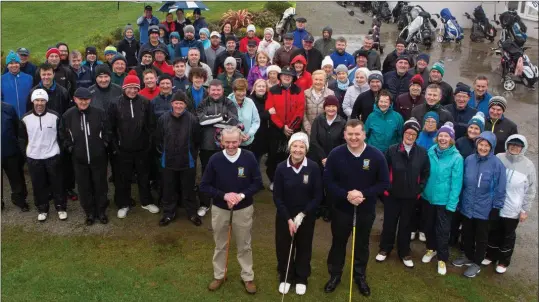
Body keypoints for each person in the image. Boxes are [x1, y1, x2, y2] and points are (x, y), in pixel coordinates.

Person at [323, 119, 390, 296]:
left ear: (364, 134)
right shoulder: (336, 154)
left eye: (357, 134)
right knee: (338, 243)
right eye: (350, 134)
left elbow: (384, 183)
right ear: (344, 135)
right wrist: (346, 194)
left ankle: (360, 276)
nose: (354, 138)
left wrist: (363, 194)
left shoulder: (376, 155)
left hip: (365, 210)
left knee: (361, 245)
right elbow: (328, 181)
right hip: (341, 209)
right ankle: (335, 275)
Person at [201, 126, 263, 294]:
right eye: (227, 142)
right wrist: (224, 196)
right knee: (220, 243)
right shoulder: (215, 159)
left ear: (240, 140)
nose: (231, 145)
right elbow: (204, 185)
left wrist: (240, 196)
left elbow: (257, 183)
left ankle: (247, 277)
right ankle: (219, 275)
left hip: (243, 208)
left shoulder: (249, 157)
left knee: (244, 244)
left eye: (234, 142)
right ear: (221, 142)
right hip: (220, 208)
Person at [376, 117, 429, 268]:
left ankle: (404, 252)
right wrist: (386, 189)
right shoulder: (392, 150)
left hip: (411, 197)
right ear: (403, 134)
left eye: (413, 134)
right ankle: (385, 248)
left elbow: (425, 173)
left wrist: (419, 189)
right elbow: (383, 171)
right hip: (392, 196)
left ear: (417, 136)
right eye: (408, 133)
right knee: (389, 224)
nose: (410, 136)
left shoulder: (422, 153)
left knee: (406, 225)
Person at [274, 132, 323, 295]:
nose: (297, 150)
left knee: (304, 246)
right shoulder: (281, 167)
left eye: (301, 147)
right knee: (284, 246)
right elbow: (277, 197)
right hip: (284, 216)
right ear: (290, 148)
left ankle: (302, 277)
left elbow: (318, 195)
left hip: (306, 216)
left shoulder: (313, 167)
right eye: (294, 146)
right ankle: (286, 276)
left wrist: (302, 214)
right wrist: (288, 219)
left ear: (306, 149)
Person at [452, 131, 506, 278]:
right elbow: (463, 182)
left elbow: (500, 188)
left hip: (485, 207)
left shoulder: (497, 164)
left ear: (492, 147)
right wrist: (459, 201)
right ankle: (467, 256)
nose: (483, 148)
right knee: (467, 233)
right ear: (477, 145)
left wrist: (496, 207)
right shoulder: (469, 160)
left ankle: (477, 262)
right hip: (467, 204)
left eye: (486, 145)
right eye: (481, 144)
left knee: (481, 237)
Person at [108, 71, 159, 219]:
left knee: (144, 176)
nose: (132, 90)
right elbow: (110, 127)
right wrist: (115, 147)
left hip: (142, 149)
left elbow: (150, 126)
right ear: (124, 88)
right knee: (123, 178)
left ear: (139, 88)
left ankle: (146, 201)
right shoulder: (115, 103)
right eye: (129, 87)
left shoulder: (145, 102)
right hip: (122, 149)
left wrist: (148, 145)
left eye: (135, 87)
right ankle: (124, 204)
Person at [484, 135, 536, 274]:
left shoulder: (528, 165)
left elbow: (530, 189)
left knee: (508, 235)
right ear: (507, 144)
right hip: (496, 205)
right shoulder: (499, 157)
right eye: (512, 144)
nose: (514, 147)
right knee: (493, 230)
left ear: (522, 148)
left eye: (518, 146)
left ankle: (503, 261)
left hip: (513, 208)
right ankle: (490, 255)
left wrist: (525, 210)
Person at [62, 87, 110, 225]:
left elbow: (108, 130)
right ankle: (89, 212)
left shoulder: (99, 113)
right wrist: (70, 147)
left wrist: (104, 144)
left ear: (90, 99)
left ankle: (101, 211)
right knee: (84, 187)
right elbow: (63, 134)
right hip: (79, 158)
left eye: (86, 99)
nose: (83, 102)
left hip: (98, 157)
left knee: (100, 185)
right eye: (80, 99)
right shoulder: (68, 115)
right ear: (75, 99)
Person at [421, 122, 463, 276]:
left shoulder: (457, 158)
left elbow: (456, 183)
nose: (443, 138)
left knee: (443, 231)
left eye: (446, 136)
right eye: (441, 135)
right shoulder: (431, 151)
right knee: (429, 226)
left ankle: (442, 258)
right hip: (428, 198)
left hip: (444, 201)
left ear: (451, 139)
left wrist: (452, 203)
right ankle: (431, 249)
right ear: (437, 137)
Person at [19, 89, 67, 222]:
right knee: (38, 185)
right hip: (34, 158)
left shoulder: (55, 116)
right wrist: (26, 154)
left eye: (42, 100)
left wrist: (59, 152)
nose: (39, 103)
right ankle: (42, 209)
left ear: (46, 101)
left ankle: (61, 207)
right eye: (37, 100)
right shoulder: (25, 118)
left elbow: (62, 136)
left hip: (52, 156)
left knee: (57, 183)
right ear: (32, 101)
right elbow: (22, 139)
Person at [155, 90, 201, 227]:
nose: (179, 106)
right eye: (176, 103)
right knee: (169, 188)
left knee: (189, 188)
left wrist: (192, 154)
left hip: (187, 161)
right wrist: (162, 153)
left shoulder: (192, 119)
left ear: (185, 105)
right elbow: (158, 138)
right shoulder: (163, 118)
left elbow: (197, 139)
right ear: (172, 104)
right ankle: (169, 213)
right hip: (168, 160)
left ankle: (192, 213)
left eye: (181, 103)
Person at [196, 79, 239, 217]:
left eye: (218, 90)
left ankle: (224, 201)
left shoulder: (229, 103)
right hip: (206, 145)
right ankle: (204, 204)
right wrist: (221, 117)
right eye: (213, 90)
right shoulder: (203, 103)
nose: (215, 92)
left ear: (222, 91)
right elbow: (201, 121)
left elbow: (233, 122)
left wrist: (212, 120)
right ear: (209, 90)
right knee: (206, 174)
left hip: (225, 146)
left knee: (226, 174)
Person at [265, 66, 305, 191]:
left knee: (292, 156)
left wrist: (290, 128)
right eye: (284, 74)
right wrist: (282, 127)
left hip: (293, 130)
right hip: (276, 130)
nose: (287, 77)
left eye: (290, 75)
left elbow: (300, 110)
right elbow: (271, 110)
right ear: (280, 77)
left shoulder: (298, 90)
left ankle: (290, 180)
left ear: (293, 78)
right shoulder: (273, 90)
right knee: (274, 156)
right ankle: (273, 180)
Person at [308, 96, 346, 222]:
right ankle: (317, 207)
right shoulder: (318, 120)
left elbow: (343, 143)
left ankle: (328, 210)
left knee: (330, 186)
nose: (330, 109)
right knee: (318, 184)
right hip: (318, 158)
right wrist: (323, 157)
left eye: (333, 106)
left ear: (337, 107)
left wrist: (330, 158)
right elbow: (313, 140)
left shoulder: (342, 122)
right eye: (328, 106)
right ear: (324, 107)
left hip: (335, 160)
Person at [451, 112, 486, 248]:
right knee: (455, 211)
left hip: (473, 185)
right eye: (471, 127)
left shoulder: (483, 146)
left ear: (481, 131)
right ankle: (452, 237)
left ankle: (464, 241)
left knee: (467, 214)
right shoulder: (460, 142)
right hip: (459, 181)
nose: (472, 130)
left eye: (476, 129)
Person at [1, 101, 29, 211]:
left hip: (10, 150)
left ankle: (20, 199)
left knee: (16, 177)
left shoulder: (8, 108)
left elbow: (17, 128)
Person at [228, 78, 260, 149]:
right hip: (231, 143)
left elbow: (256, 121)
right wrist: (238, 134)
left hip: (248, 141)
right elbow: (226, 123)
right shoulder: (227, 103)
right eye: (239, 91)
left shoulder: (250, 102)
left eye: (243, 90)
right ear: (234, 91)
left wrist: (249, 134)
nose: (241, 93)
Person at [2, 50, 33, 118]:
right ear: (7, 65)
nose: (14, 65)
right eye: (11, 63)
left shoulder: (29, 78)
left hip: (27, 116)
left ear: (19, 64)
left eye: (16, 63)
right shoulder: (2, 80)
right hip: (8, 118)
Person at [303, 70, 335, 135]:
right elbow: (303, 112)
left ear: (325, 81)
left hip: (324, 130)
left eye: (321, 80)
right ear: (312, 80)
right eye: (316, 79)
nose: (318, 82)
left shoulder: (331, 93)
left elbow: (332, 112)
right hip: (307, 130)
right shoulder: (305, 93)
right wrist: (308, 128)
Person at [249, 79, 271, 162]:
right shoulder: (250, 100)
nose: (261, 88)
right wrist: (268, 113)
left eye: (263, 86)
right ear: (254, 88)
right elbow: (254, 116)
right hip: (254, 134)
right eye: (259, 86)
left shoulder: (268, 99)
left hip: (264, 132)